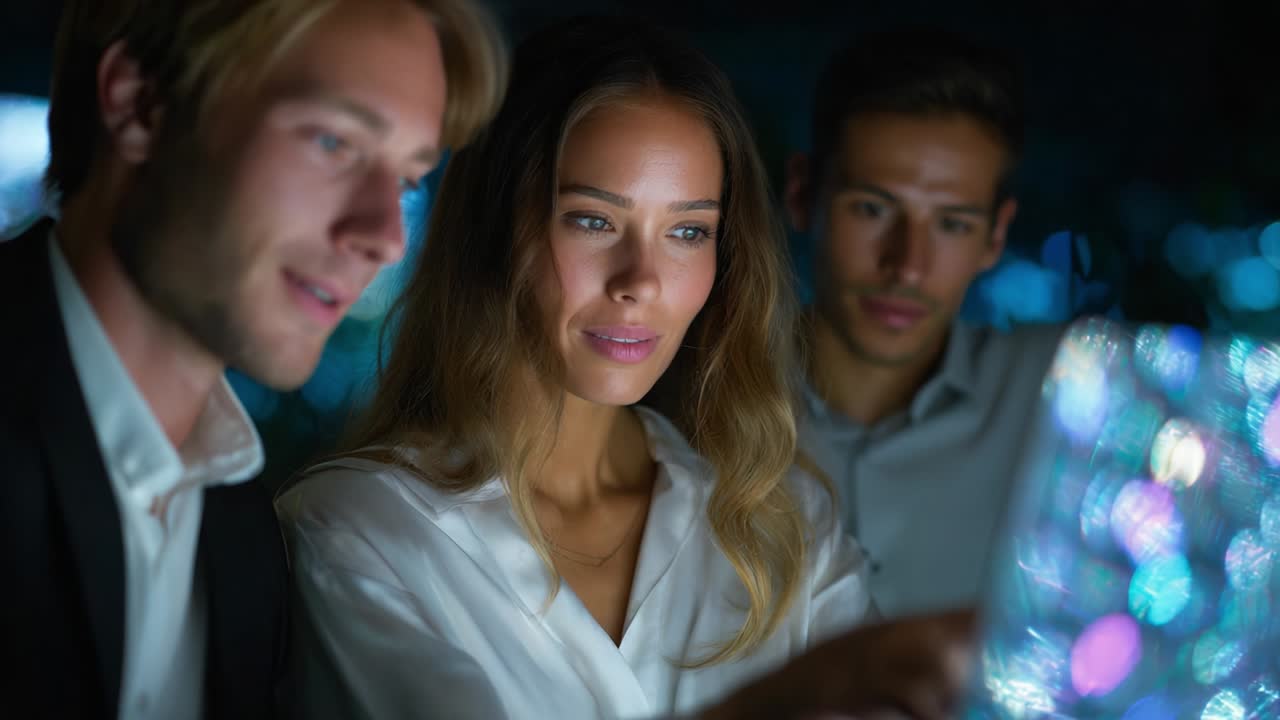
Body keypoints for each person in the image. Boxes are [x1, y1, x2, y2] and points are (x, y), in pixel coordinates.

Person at [278, 16, 974, 720]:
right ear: (499, 225)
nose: (640, 280)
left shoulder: (781, 530)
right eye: (593, 220)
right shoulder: (358, 531)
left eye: (687, 232)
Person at [0, 0, 504, 717]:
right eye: (334, 143)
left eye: (407, 180)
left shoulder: (249, 538)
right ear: (141, 103)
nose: (386, 235)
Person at [782, 28, 1065, 619]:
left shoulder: (1062, 399)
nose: (907, 266)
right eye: (872, 208)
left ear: (996, 235)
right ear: (804, 194)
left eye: (953, 224)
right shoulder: (691, 399)